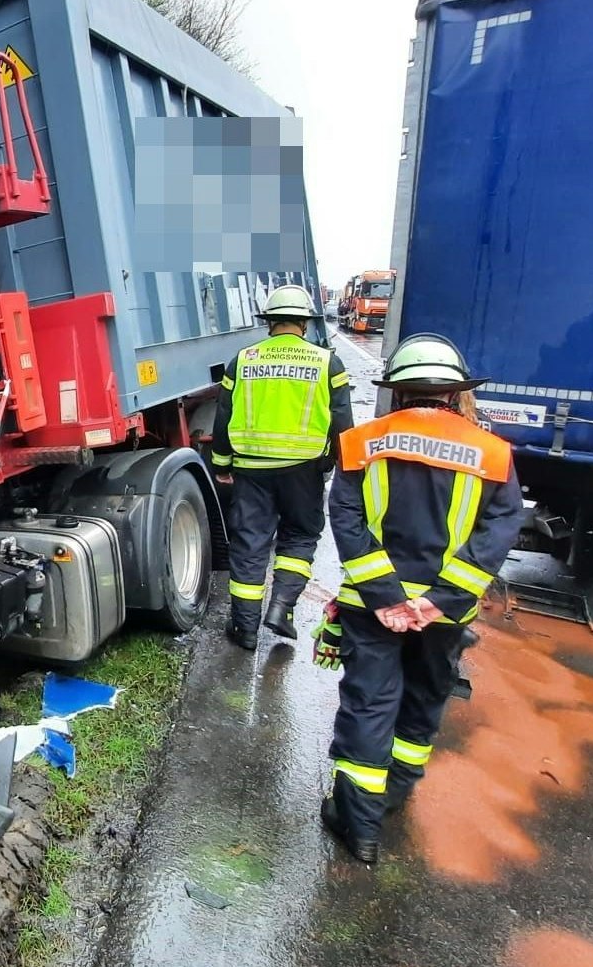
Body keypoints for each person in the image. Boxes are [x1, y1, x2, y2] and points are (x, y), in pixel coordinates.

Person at [313, 334, 525, 863]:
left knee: (369, 705)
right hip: (444, 617)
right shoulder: (494, 454)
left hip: (370, 610)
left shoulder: (361, 442)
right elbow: (498, 531)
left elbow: (347, 519)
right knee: (424, 700)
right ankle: (395, 794)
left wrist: (385, 596)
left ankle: (359, 828)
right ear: (455, 392)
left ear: (398, 390)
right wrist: (439, 601)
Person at [210, 284, 353, 649]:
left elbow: (223, 417)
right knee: (300, 537)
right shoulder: (327, 363)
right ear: (305, 323)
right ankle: (281, 609)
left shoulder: (242, 361)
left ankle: (245, 629)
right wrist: (337, 464)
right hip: (304, 470)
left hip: (251, 470)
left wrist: (222, 464)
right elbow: (342, 423)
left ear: (269, 322)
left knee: (250, 543)